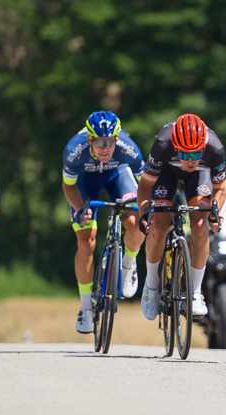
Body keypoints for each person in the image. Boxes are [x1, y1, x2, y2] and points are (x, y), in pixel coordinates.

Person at [62, 111, 145, 334]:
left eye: (110, 142)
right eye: (100, 142)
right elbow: (68, 186)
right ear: (90, 140)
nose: (105, 148)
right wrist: (81, 210)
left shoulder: (129, 148)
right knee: (86, 242)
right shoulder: (74, 150)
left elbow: (146, 182)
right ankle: (85, 307)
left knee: (138, 224)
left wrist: (148, 208)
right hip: (83, 182)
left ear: (117, 139)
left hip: (117, 175)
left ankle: (129, 263)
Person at [138, 113, 226, 320]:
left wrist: (215, 212)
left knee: (200, 223)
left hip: (200, 176)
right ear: (175, 146)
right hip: (166, 173)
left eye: (195, 154)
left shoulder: (215, 148)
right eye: (184, 154)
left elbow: (220, 189)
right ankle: (150, 286)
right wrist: (144, 212)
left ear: (203, 148)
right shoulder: (162, 144)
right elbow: (145, 186)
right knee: (158, 226)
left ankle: (195, 292)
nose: (189, 160)